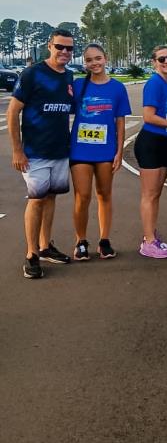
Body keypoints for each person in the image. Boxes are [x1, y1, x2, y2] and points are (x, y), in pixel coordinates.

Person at [7, 28, 75, 278]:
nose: (65, 52)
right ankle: (31, 254)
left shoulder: (68, 77)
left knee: (51, 198)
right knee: (36, 200)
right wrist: (17, 150)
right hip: (34, 153)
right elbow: (13, 112)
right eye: (60, 47)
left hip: (60, 150)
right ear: (50, 46)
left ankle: (46, 246)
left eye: (69, 48)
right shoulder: (32, 74)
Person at [69, 43, 131, 260]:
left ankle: (104, 241)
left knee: (104, 195)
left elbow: (120, 121)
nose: (94, 63)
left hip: (106, 150)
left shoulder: (117, 88)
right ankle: (81, 241)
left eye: (98, 58)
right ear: (84, 63)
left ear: (105, 59)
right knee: (82, 196)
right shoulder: (78, 86)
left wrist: (119, 151)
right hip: (80, 150)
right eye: (89, 60)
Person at [134, 45, 167, 259]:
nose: (166, 62)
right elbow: (149, 116)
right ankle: (148, 241)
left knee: (156, 194)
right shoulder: (154, 83)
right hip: (151, 142)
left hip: (166, 141)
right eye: (161, 59)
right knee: (149, 194)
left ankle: (151, 235)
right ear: (154, 62)